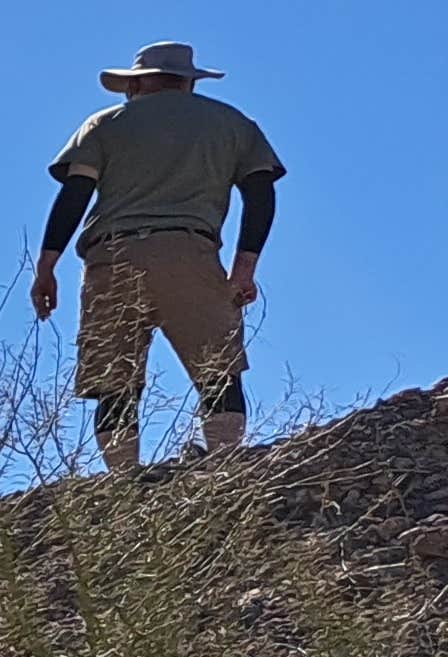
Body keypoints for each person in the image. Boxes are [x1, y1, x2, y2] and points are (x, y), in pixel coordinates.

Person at [32, 41, 284, 469]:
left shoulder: (103, 125)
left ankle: (124, 480)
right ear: (188, 82)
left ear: (137, 84)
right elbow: (260, 193)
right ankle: (225, 467)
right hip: (190, 252)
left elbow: (74, 195)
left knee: (115, 381)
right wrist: (243, 271)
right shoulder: (233, 124)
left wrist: (46, 267)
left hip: (112, 258)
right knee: (217, 369)